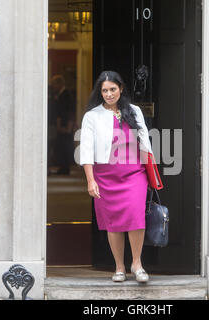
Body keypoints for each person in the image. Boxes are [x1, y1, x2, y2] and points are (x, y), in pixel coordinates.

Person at [79, 71, 153, 283]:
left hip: (134, 173)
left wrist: (151, 170)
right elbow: (86, 150)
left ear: (121, 89)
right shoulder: (92, 116)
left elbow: (145, 142)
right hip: (106, 176)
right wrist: (90, 180)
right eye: (105, 90)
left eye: (113, 89)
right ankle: (119, 267)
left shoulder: (134, 111)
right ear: (100, 92)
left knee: (136, 217)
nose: (109, 94)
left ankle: (137, 264)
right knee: (114, 222)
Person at [53, 75, 76, 175]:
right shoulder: (62, 94)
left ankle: (65, 167)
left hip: (65, 124)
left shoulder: (65, 94)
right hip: (65, 124)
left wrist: (68, 127)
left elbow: (68, 111)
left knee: (65, 146)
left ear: (59, 84)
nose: (53, 86)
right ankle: (63, 167)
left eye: (54, 84)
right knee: (62, 146)